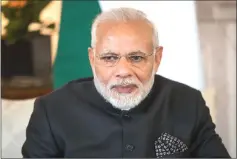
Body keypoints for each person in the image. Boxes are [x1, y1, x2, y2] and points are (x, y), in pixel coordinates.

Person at [22, 7, 230, 158]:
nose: (123, 71)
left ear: (157, 59)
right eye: (110, 58)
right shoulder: (51, 110)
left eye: (136, 58)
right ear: (92, 59)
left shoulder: (189, 103)